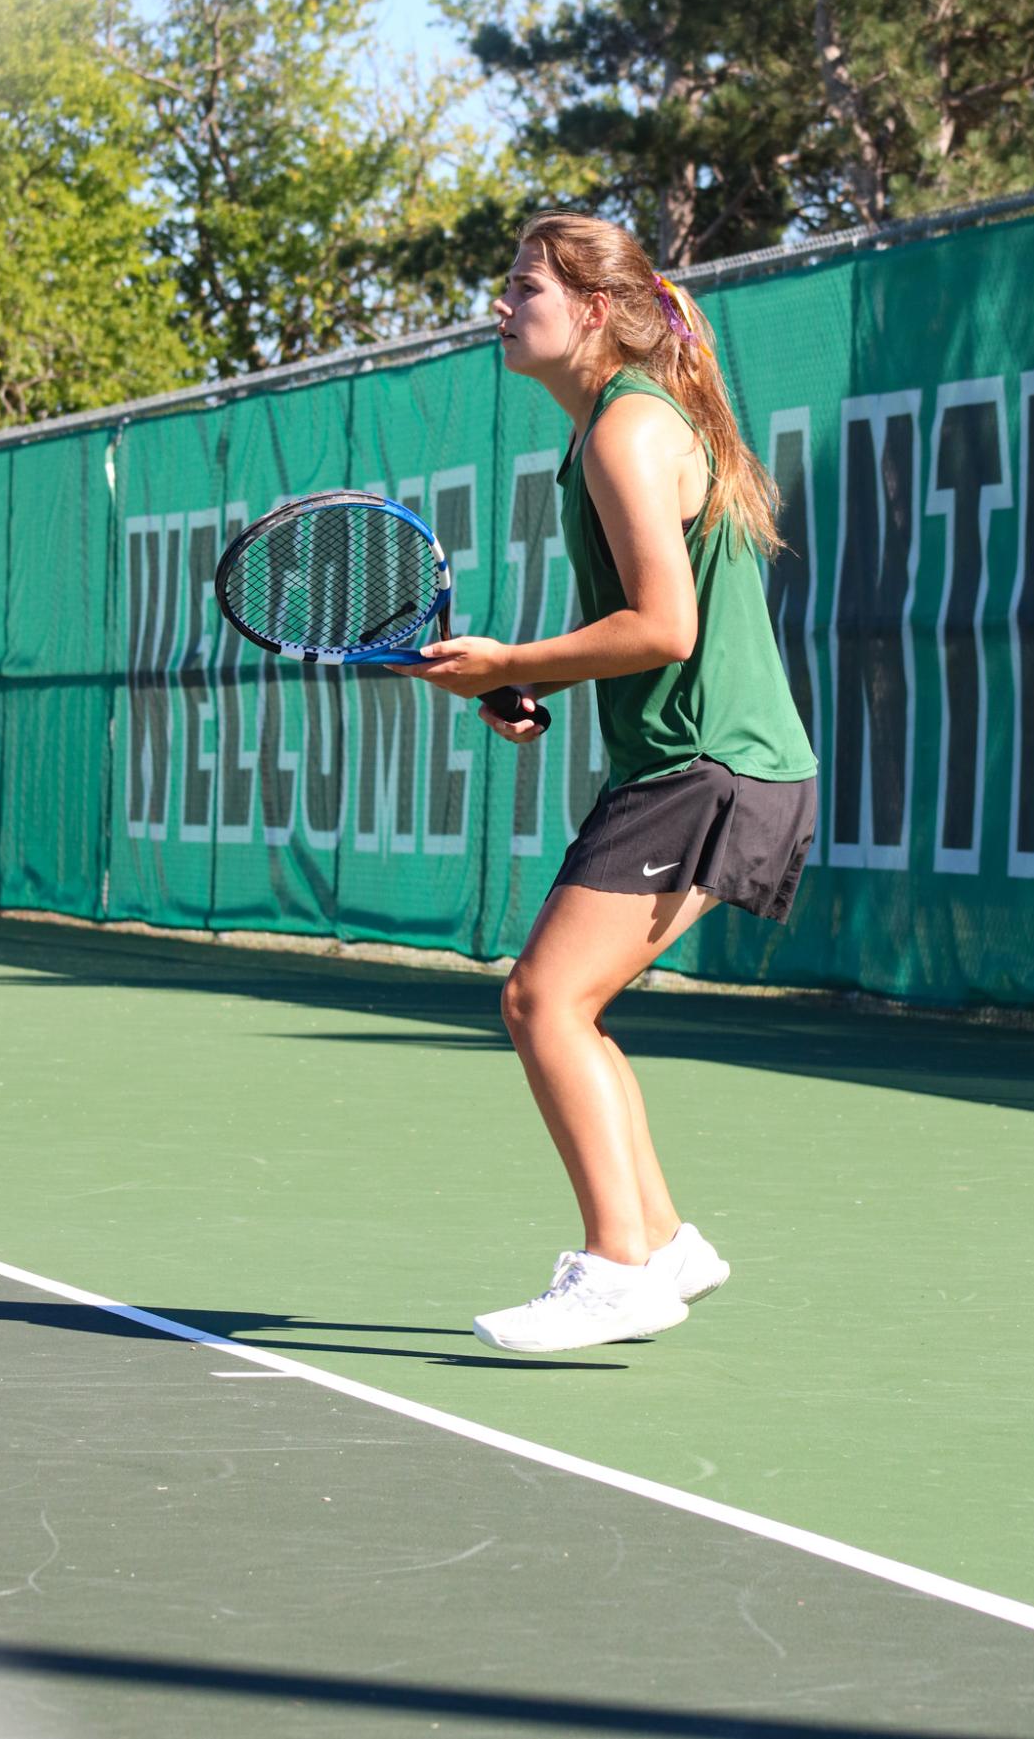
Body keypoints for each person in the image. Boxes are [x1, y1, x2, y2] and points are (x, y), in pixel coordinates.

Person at [393, 211, 817, 1354]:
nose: (500, 303)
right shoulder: (606, 433)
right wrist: (525, 682)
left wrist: (512, 660)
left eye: (522, 285)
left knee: (541, 1002)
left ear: (590, 310)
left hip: (707, 770)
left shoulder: (626, 430)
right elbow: (649, 629)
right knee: (574, 1009)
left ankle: (616, 1269)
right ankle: (666, 1242)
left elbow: (665, 627)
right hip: (720, 768)